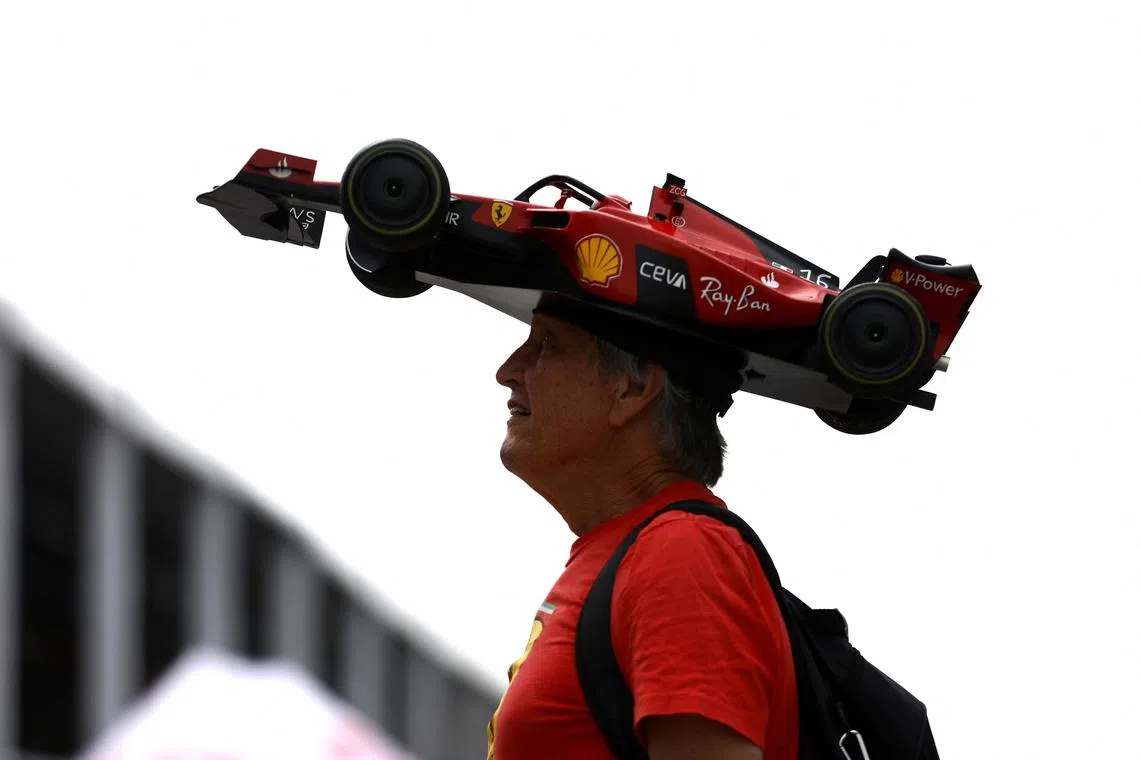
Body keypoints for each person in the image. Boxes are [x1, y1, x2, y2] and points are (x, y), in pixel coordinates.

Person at [484, 294, 799, 760]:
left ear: (631, 390)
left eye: (548, 343)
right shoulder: (635, 551)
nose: (508, 369)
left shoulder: (682, 551)